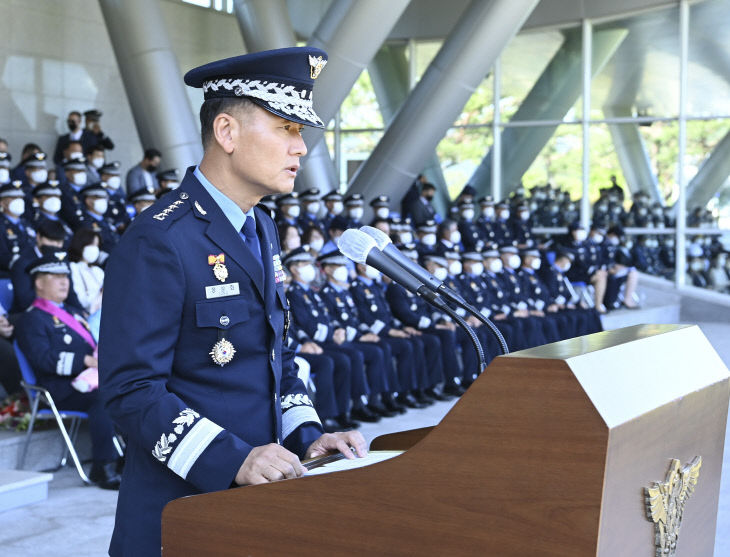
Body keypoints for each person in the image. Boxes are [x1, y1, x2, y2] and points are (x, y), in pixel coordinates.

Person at [98, 47, 365, 556]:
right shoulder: (160, 238)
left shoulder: (259, 227)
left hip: (255, 508)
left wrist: (307, 435)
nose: (301, 148)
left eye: (301, 133)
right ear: (227, 133)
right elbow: (130, 390)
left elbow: (275, 359)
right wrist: (234, 459)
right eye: (286, 128)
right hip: (181, 512)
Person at [15, 253, 121, 489]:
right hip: (58, 388)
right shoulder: (31, 319)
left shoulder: (73, 313)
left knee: (128, 389)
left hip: (89, 380)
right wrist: (83, 360)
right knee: (105, 397)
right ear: (39, 282)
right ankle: (103, 467)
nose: (64, 282)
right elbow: (43, 359)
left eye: (65, 276)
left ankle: (128, 460)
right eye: (55, 277)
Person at [68, 229, 104, 314]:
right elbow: (82, 301)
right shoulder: (72, 268)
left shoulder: (98, 271)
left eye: (97, 245)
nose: (95, 249)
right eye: (92, 244)